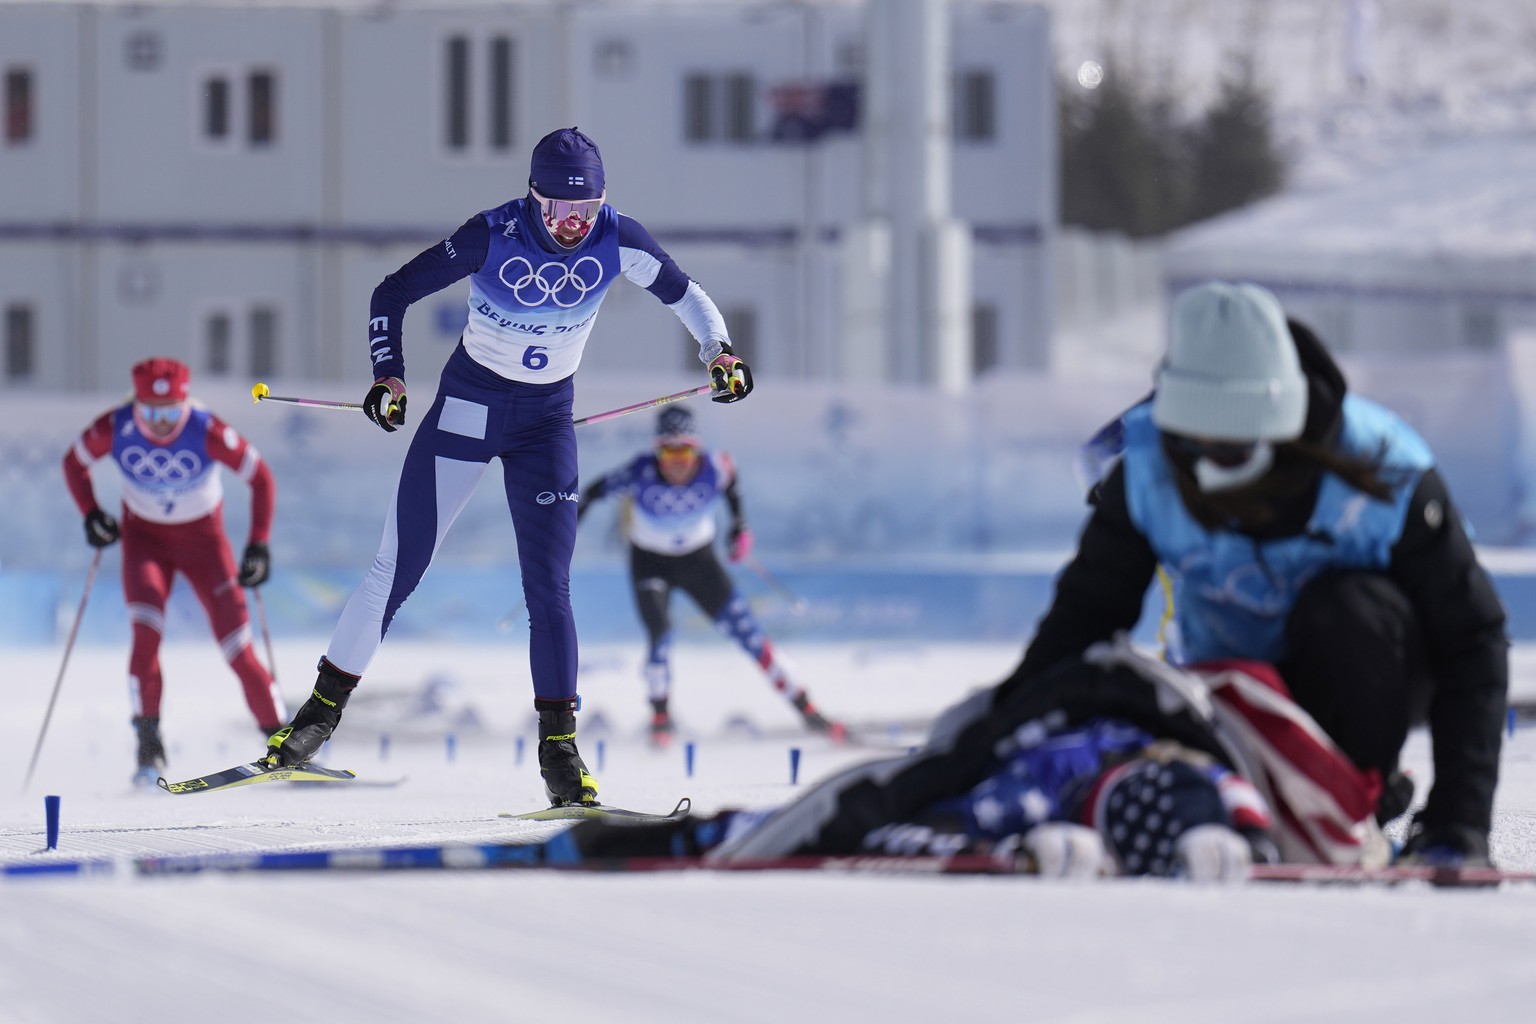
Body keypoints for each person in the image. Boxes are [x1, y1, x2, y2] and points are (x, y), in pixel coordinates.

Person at [262, 127, 753, 808]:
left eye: (586, 211)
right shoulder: (491, 233)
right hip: (469, 405)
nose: (574, 227)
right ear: (533, 199)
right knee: (395, 569)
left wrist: (719, 353)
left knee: (549, 587)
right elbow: (391, 293)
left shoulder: (619, 237)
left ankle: (560, 754)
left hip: (546, 424)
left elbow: (686, 294)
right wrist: (390, 378)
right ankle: (315, 721)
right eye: (559, 213)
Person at [1019, 280, 1508, 868]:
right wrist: (1001, 728)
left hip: (1363, 673)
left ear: (1278, 434)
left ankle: (1349, 803)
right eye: (1186, 444)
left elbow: (1472, 642)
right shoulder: (1146, 467)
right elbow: (1083, 624)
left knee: (1349, 608)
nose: (1201, 469)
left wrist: (1458, 824)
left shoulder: (1385, 473)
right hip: (1229, 689)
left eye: (1226, 452)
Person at [61, 357, 283, 785]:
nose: (161, 425)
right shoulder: (116, 426)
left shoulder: (207, 429)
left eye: (170, 413)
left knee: (239, 649)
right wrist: (91, 513)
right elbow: (73, 463)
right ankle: (149, 750)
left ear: (186, 403)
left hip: (206, 547)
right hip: (147, 546)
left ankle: (281, 741)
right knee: (145, 638)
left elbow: (261, 478)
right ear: (135, 405)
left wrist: (258, 542)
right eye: (150, 413)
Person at [578, 405, 845, 746]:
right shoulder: (638, 472)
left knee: (749, 635)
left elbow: (733, 488)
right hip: (649, 561)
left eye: (686, 450)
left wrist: (740, 529)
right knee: (660, 634)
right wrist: (566, 533)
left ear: (697, 449)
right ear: (656, 450)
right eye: (668, 450)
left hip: (698, 562)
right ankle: (661, 719)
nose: (678, 460)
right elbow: (588, 494)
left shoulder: (717, 468)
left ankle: (811, 713)